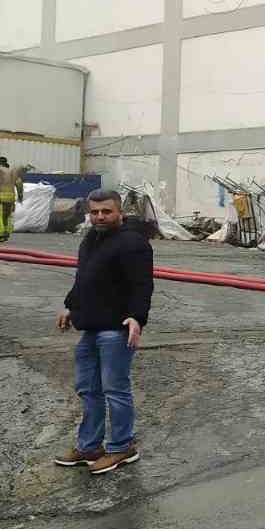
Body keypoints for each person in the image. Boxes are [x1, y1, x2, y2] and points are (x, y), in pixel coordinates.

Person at [52, 189, 154, 475]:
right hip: (90, 327)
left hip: (115, 330)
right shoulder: (91, 239)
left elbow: (142, 285)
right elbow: (84, 278)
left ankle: (122, 447)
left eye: (106, 211)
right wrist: (70, 307)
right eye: (94, 212)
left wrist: (137, 318)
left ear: (119, 211)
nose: (99, 216)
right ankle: (90, 447)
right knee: (88, 390)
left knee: (115, 390)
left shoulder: (133, 243)